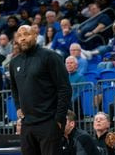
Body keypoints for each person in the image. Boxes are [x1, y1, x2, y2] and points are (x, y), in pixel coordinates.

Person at [9, 25, 72, 155]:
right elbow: (14, 88)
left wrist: (59, 119)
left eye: (26, 34)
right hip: (27, 124)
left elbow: (64, 88)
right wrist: (18, 108)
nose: (22, 39)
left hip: (49, 122)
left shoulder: (50, 56)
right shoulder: (14, 62)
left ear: (35, 36)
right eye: (19, 36)